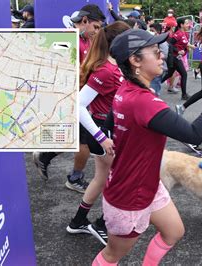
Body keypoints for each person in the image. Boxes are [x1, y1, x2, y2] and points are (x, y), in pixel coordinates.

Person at [91, 28, 202, 265]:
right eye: (155, 52)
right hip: (129, 196)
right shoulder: (144, 101)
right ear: (135, 60)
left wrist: (110, 138)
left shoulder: (127, 89)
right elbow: (194, 134)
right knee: (111, 256)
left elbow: (112, 118)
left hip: (147, 183)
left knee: (174, 231)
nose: (163, 55)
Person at [65, 21, 130, 246]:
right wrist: (102, 138)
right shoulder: (106, 69)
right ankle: (101, 224)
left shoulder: (116, 66)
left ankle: (78, 221)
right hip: (105, 133)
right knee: (125, 181)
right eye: (130, 40)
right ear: (118, 43)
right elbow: (79, 105)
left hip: (108, 133)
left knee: (101, 178)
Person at [32, 4, 106, 192]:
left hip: (80, 99)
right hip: (72, 98)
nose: (97, 32)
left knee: (77, 139)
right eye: (96, 27)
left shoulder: (86, 40)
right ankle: (74, 178)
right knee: (85, 142)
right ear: (84, 21)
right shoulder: (66, 39)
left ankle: (45, 155)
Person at [162, 18, 195, 100]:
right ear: (181, 25)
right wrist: (178, 51)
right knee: (184, 74)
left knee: (169, 74)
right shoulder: (178, 34)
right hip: (174, 57)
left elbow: (184, 44)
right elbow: (170, 44)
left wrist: (187, 49)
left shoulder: (183, 33)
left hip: (177, 57)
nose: (189, 25)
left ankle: (155, 83)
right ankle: (184, 95)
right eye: (186, 23)